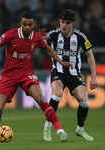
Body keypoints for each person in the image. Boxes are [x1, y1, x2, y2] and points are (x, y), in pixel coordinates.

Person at [0, 12, 73, 142]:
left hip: (27, 74)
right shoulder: (11, 34)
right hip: (9, 75)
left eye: (30, 24)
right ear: (21, 23)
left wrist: (60, 61)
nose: (27, 27)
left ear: (34, 24)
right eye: (24, 24)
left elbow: (47, 49)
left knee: (40, 99)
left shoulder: (37, 37)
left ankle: (60, 130)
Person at [43, 9, 98, 142]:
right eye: (62, 22)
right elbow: (40, 43)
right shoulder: (53, 35)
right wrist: (40, 39)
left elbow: (90, 55)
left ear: (73, 24)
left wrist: (94, 76)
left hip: (74, 75)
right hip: (58, 72)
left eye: (67, 23)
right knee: (56, 94)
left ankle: (80, 129)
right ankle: (47, 126)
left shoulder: (80, 37)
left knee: (84, 101)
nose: (63, 25)